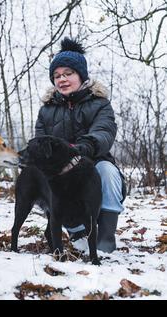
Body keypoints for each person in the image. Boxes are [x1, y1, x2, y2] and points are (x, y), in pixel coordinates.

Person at [35, 38, 126, 253]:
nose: (62, 79)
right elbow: (40, 143)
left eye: (68, 73)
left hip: (94, 162)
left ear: (81, 75)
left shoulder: (100, 104)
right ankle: (76, 231)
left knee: (107, 171)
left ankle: (105, 235)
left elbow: (104, 132)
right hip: (61, 171)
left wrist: (85, 146)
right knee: (44, 181)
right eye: (57, 76)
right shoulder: (46, 110)